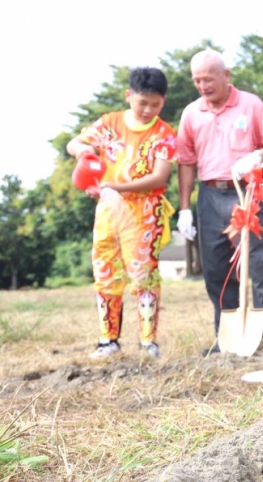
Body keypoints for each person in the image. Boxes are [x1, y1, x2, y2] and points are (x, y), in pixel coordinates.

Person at [175, 49, 263, 355]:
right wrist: (185, 208)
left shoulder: (249, 104)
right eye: (197, 80)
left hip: (249, 191)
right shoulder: (191, 114)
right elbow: (186, 161)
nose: (203, 86)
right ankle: (227, 336)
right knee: (216, 267)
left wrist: (257, 155)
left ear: (225, 76)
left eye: (208, 78)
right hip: (211, 194)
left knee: (261, 262)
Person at [66, 67, 177, 359]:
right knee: (105, 270)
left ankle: (148, 342)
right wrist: (83, 153)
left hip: (145, 212)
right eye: (143, 103)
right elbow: (74, 143)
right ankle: (108, 340)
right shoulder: (110, 123)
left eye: (156, 104)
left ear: (163, 101)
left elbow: (159, 178)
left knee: (144, 275)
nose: (148, 110)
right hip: (107, 212)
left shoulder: (164, 134)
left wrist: (114, 186)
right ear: (129, 96)